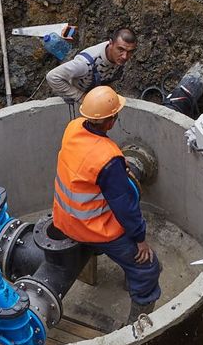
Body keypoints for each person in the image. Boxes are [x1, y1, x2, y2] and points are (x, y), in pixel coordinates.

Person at [52, 85, 161, 322]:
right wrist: (140, 240)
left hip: (63, 219)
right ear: (110, 121)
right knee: (148, 268)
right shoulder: (108, 158)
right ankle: (136, 325)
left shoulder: (73, 128)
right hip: (92, 229)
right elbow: (125, 207)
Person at [46, 28, 138, 107]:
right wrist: (81, 97)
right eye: (120, 49)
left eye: (130, 51)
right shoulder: (85, 64)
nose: (125, 56)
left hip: (94, 96)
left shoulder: (117, 56)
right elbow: (52, 77)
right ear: (111, 43)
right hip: (74, 101)